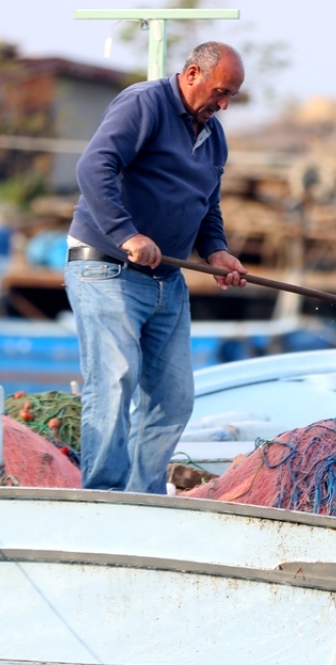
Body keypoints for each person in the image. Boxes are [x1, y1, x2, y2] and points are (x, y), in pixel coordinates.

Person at [65, 41, 248, 493]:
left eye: (231, 98)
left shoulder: (213, 134)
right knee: (115, 381)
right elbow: (94, 167)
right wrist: (127, 234)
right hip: (106, 269)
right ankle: (102, 498)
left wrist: (217, 251)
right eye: (220, 92)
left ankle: (142, 499)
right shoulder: (144, 103)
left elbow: (207, 204)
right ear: (191, 74)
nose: (223, 105)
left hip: (167, 281)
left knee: (173, 398)